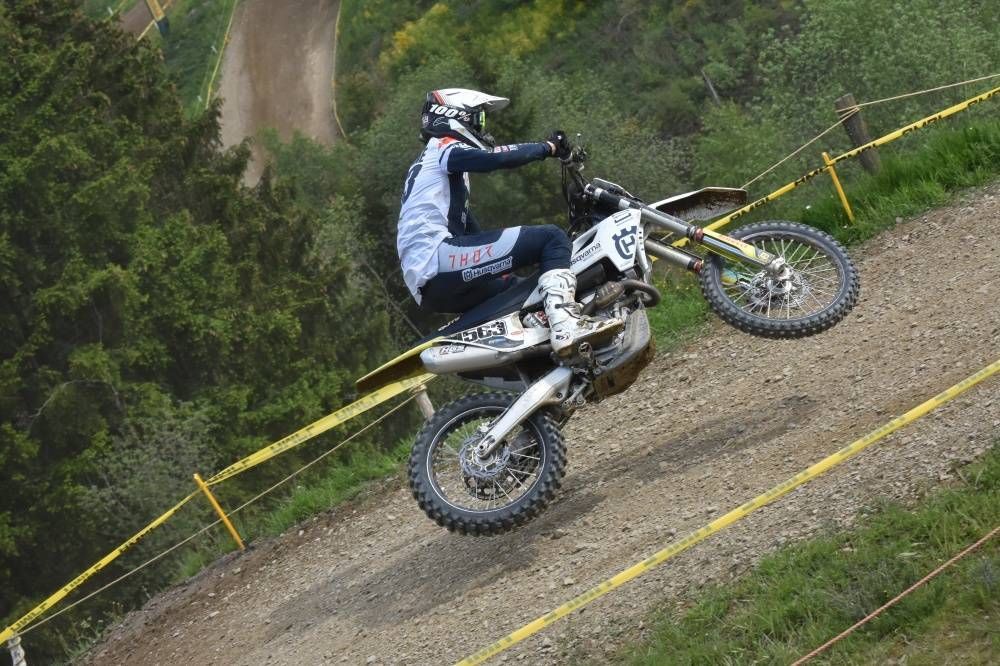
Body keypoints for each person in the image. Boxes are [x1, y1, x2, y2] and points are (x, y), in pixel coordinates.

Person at [397, 88, 622, 355]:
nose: (483, 129)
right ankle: (566, 326)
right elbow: (496, 158)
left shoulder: (435, 167)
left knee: (519, 289)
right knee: (552, 238)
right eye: (479, 120)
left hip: (431, 281)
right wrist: (548, 147)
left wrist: (504, 262)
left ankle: (539, 358)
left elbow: (468, 228)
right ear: (456, 117)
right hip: (436, 262)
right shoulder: (443, 147)